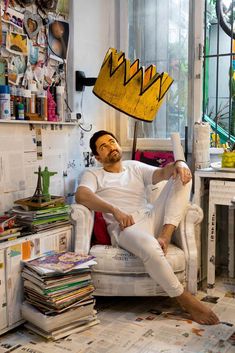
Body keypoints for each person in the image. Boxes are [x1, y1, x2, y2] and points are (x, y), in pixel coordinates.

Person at [75, 130, 219, 325]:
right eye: (104, 147)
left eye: (112, 141)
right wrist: (114, 210)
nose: (110, 147)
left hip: (151, 217)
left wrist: (178, 165)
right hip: (126, 227)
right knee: (151, 248)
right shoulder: (93, 174)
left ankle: (165, 235)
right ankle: (183, 298)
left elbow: (162, 173)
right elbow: (81, 196)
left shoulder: (134, 166)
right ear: (98, 157)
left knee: (184, 175)